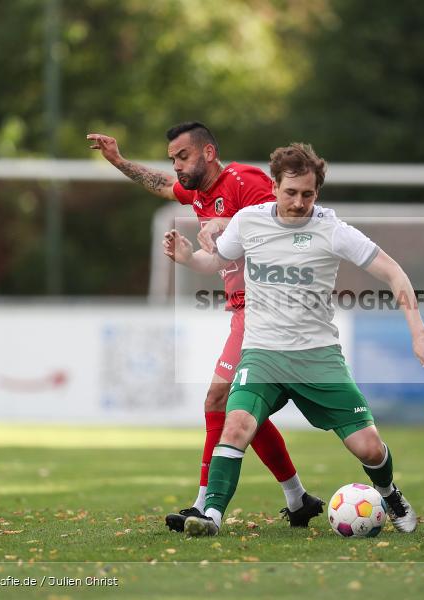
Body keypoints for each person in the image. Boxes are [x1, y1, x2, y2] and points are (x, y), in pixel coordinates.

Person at [163, 143, 424, 537]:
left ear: (317, 192)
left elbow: (394, 273)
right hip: (262, 355)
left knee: (369, 448)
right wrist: (189, 258)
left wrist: (419, 332)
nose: (299, 203)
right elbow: (215, 261)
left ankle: (388, 492)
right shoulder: (249, 221)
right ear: (275, 187)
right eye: (290, 192)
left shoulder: (331, 229)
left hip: (318, 358)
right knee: (236, 426)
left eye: (308, 194)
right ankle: (210, 515)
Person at [86, 123, 323, 531]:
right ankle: (297, 498)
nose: (176, 166)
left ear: (208, 152)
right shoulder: (199, 192)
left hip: (269, 309)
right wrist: (120, 161)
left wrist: (226, 223)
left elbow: (284, 220)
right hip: (244, 312)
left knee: (217, 399)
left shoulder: (242, 180)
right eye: (173, 159)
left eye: (183, 156)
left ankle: (203, 506)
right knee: (243, 407)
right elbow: (161, 185)